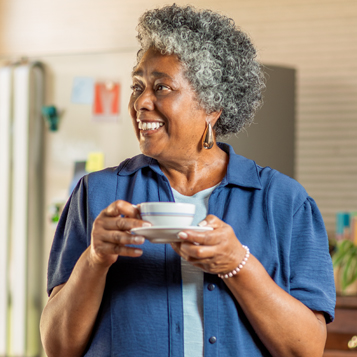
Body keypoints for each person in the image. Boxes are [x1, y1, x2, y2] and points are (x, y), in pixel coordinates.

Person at [40, 4, 335, 357]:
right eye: (137, 86)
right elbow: (58, 347)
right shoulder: (97, 193)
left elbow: (307, 349)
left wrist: (237, 264)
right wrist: (96, 258)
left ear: (212, 107)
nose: (140, 103)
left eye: (162, 88)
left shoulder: (282, 201)